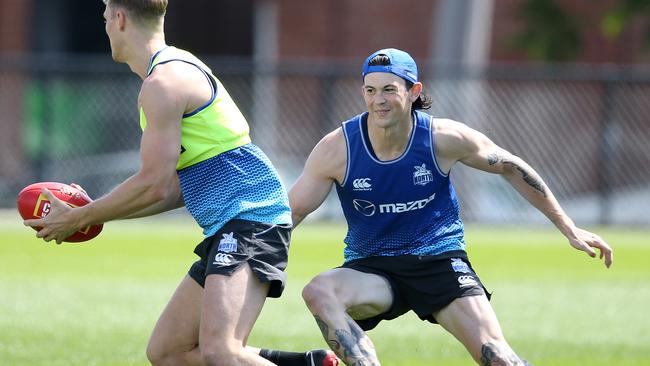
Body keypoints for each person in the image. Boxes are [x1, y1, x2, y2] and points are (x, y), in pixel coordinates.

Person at [23, 1, 340, 366]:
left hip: (252, 217)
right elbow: (174, 188)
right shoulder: (172, 68)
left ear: (121, 19)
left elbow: (154, 184)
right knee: (168, 351)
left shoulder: (163, 84)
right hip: (233, 221)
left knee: (222, 351)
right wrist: (96, 212)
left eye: (105, 16)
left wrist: (82, 216)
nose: (106, 26)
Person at [288, 48, 614, 366]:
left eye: (389, 90)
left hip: (439, 262)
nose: (379, 100)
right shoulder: (338, 149)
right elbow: (294, 211)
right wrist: (252, 261)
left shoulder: (442, 137)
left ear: (414, 91)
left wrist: (568, 227)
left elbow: (511, 167)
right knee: (319, 291)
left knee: (497, 356)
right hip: (372, 269)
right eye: (371, 91)